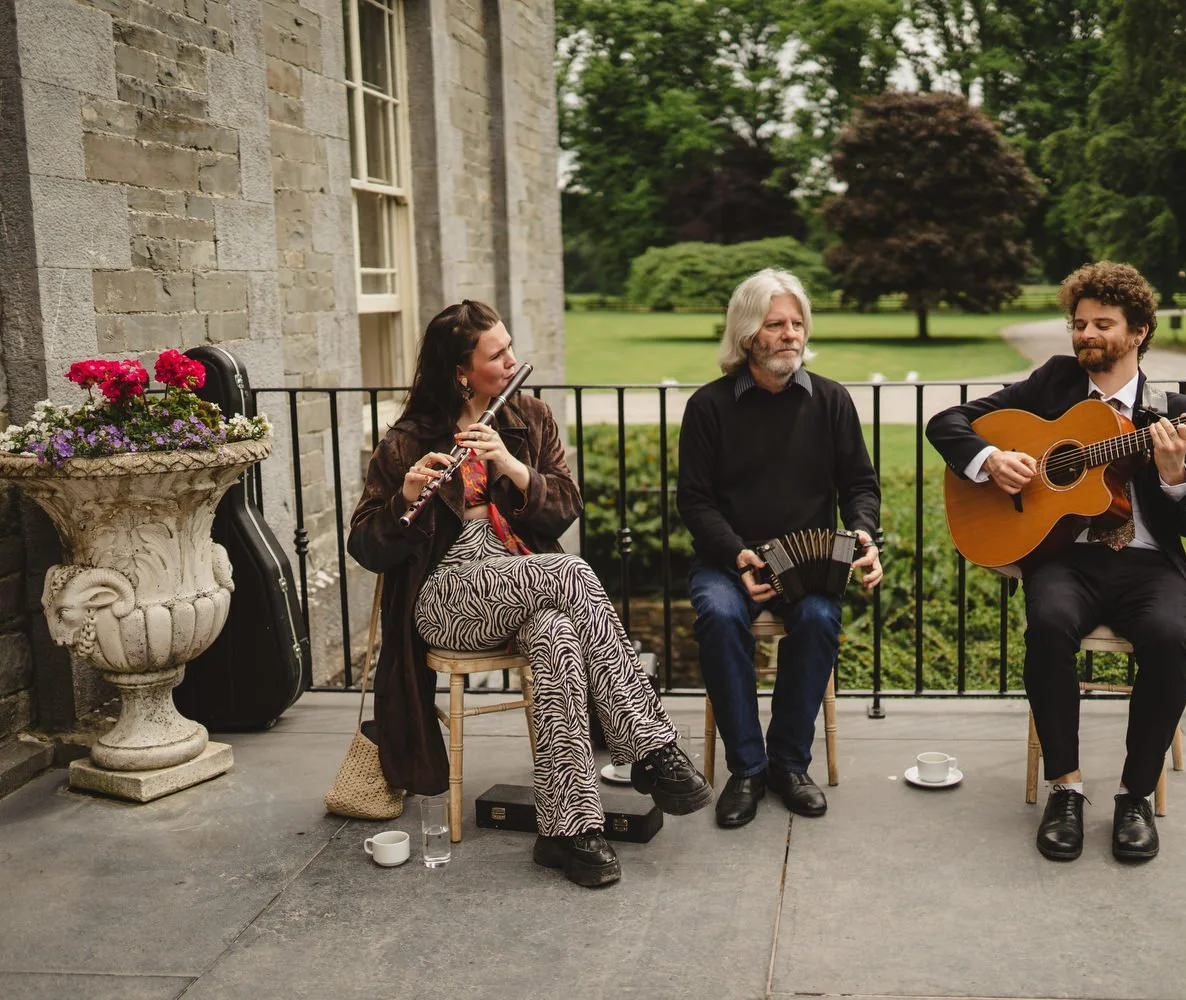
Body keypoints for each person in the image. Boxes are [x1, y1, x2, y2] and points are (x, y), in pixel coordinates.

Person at [348, 300, 710, 888]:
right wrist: (405, 498)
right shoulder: (407, 438)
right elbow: (365, 545)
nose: (514, 360)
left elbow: (565, 505)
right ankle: (649, 746)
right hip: (449, 595)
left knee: (558, 634)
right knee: (574, 575)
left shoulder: (530, 417)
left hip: (523, 580)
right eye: (499, 355)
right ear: (462, 371)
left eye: (510, 348)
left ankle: (570, 832)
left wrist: (514, 467)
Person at [925, 261, 1186, 862]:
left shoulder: (1176, 412)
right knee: (1049, 624)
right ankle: (1067, 788)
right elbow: (946, 422)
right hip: (1067, 561)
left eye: (1102, 324)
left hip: (1150, 565)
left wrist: (1175, 476)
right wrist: (989, 460)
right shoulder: (1054, 384)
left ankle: (1135, 796)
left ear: (1138, 332)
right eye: (1079, 323)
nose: (1085, 335)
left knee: (1167, 635)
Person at [677, 269, 883, 829]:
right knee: (719, 616)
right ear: (748, 336)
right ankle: (747, 768)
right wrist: (737, 556)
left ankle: (789, 766)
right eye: (776, 325)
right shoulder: (708, 408)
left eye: (797, 323)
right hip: (730, 561)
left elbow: (860, 486)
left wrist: (863, 531)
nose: (791, 334)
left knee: (819, 619)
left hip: (807, 567)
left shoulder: (832, 402)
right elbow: (695, 503)